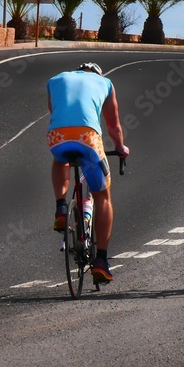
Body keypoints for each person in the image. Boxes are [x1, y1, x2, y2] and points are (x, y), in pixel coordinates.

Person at [47, 62, 130, 284]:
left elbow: (57, 112)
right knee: (103, 196)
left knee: (60, 159)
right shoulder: (106, 83)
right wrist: (121, 149)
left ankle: (61, 208)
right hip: (88, 138)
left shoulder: (55, 79)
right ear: (98, 74)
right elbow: (114, 127)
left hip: (57, 136)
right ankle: (101, 260)